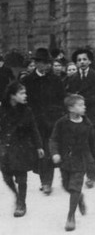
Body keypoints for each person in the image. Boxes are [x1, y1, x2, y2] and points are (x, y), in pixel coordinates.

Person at [50, 94, 95, 231]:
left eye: (84, 104)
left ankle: (70, 217)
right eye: (80, 105)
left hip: (81, 159)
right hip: (65, 160)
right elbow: (53, 139)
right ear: (71, 108)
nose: (84, 107)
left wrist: (94, 157)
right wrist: (55, 153)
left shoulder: (87, 123)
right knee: (67, 186)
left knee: (75, 186)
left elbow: (91, 142)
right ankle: (79, 198)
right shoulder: (61, 122)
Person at [22, 48, 66, 195]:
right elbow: (23, 102)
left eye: (49, 63)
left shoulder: (55, 79)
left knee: (48, 151)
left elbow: (62, 99)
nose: (48, 66)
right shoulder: (27, 81)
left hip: (52, 122)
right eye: (44, 63)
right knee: (39, 153)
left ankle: (47, 182)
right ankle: (44, 179)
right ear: (36, 63)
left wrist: (59, 116)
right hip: (34, 123)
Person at [66, 48, 95, 188]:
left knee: (90, 146)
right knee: (79, 146)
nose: (82, 62)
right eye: (79, 60)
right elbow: (69, 97)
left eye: (84, 59)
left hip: (94, 115)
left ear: (90, 61)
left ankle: (91, 176)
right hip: (77, 115)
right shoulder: (72, 78)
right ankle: (79, 174)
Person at [0, 81, 44, 217]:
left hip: (22, 147)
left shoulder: (27, 110)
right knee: (7, 176)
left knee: (21, 176)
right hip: (5, 147)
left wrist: (39, 146)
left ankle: (21, 203)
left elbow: (33, 129)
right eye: (22, 93)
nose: (25, 96)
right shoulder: (2, 110)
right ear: (12, 96)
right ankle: (17, 195)